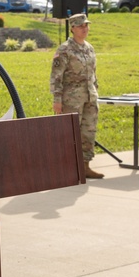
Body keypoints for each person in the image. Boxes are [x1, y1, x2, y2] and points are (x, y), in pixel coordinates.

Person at [50, 13, 103, 179]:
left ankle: (85, 166)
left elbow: (93, 73)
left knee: (88, 132)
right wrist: (57, 99)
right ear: (72, 28)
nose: (84, 29)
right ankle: (66, 169)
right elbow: (56, 76)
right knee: (69, 133)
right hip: (71, 98)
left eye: (86, 25)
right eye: (80, 26)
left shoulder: (89, 48)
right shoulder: (65, 49)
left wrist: (95, 90)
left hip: (90, 97)